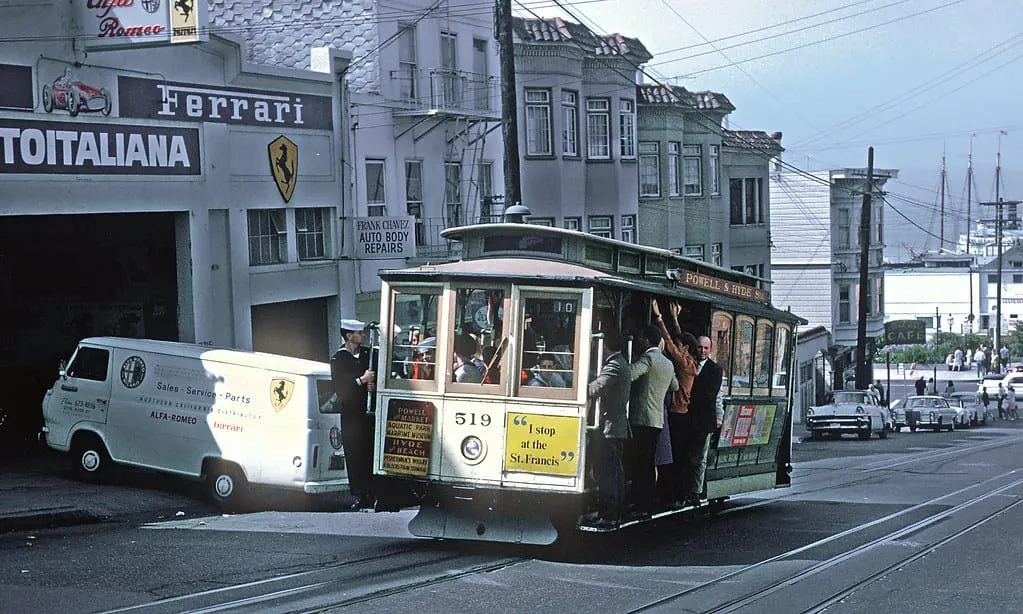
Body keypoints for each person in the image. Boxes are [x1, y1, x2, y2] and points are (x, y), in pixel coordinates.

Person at [627, 325, 679, 515]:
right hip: (658, 419)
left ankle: (642, 504)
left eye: (641, 338)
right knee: (649, 462)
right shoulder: (667, 362)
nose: (640, 341)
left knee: (642, 463)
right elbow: (675, 386)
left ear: (647, 340)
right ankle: (646, 502)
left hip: (642, 419)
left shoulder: (648, 358)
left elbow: (631, 373)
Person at [652, 300, 699, 507]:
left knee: (673, 457)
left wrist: (659, 318)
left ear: (686, 348)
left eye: (682, 346)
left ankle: (673, 495)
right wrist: (674, 318)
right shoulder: (690, 361)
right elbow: (680, 339)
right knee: (676, 456)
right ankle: (677, 494)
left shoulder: (684, 363)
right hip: (683, 413)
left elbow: (671, 344)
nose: (678, 348)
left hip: (677, 414)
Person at [586, 328, 632, 528]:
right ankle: (613, 513)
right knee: (614, 472)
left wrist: (579, 386)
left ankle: (609, 514)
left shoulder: (614, 365)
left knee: (607, 473)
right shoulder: (621, 363)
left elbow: (597, 387)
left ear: (606, 345)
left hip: (609, 427)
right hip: (615, 426)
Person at [330, 318, 377, 511]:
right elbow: (341, 388)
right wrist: (362, 380)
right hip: (351, 416)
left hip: (368, 414)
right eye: (359, 333)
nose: (363, 336)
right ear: (349, 336)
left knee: (370, 454)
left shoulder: (369, 354)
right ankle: (359, 494)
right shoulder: (338, 359)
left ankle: (373, 493)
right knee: (355, 455)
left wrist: (374, 384)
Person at [678, 335, 724, 508]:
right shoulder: (689, 364)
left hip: (703, 420)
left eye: (705, 348)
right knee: (685, 456)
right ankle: (683, 491)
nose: (702, 351)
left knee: (699, 459)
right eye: (699, 347)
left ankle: (695, 492)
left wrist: (719, 417)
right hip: (687, 417)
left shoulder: (715, 370)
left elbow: (712, 396)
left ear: (710, 349)